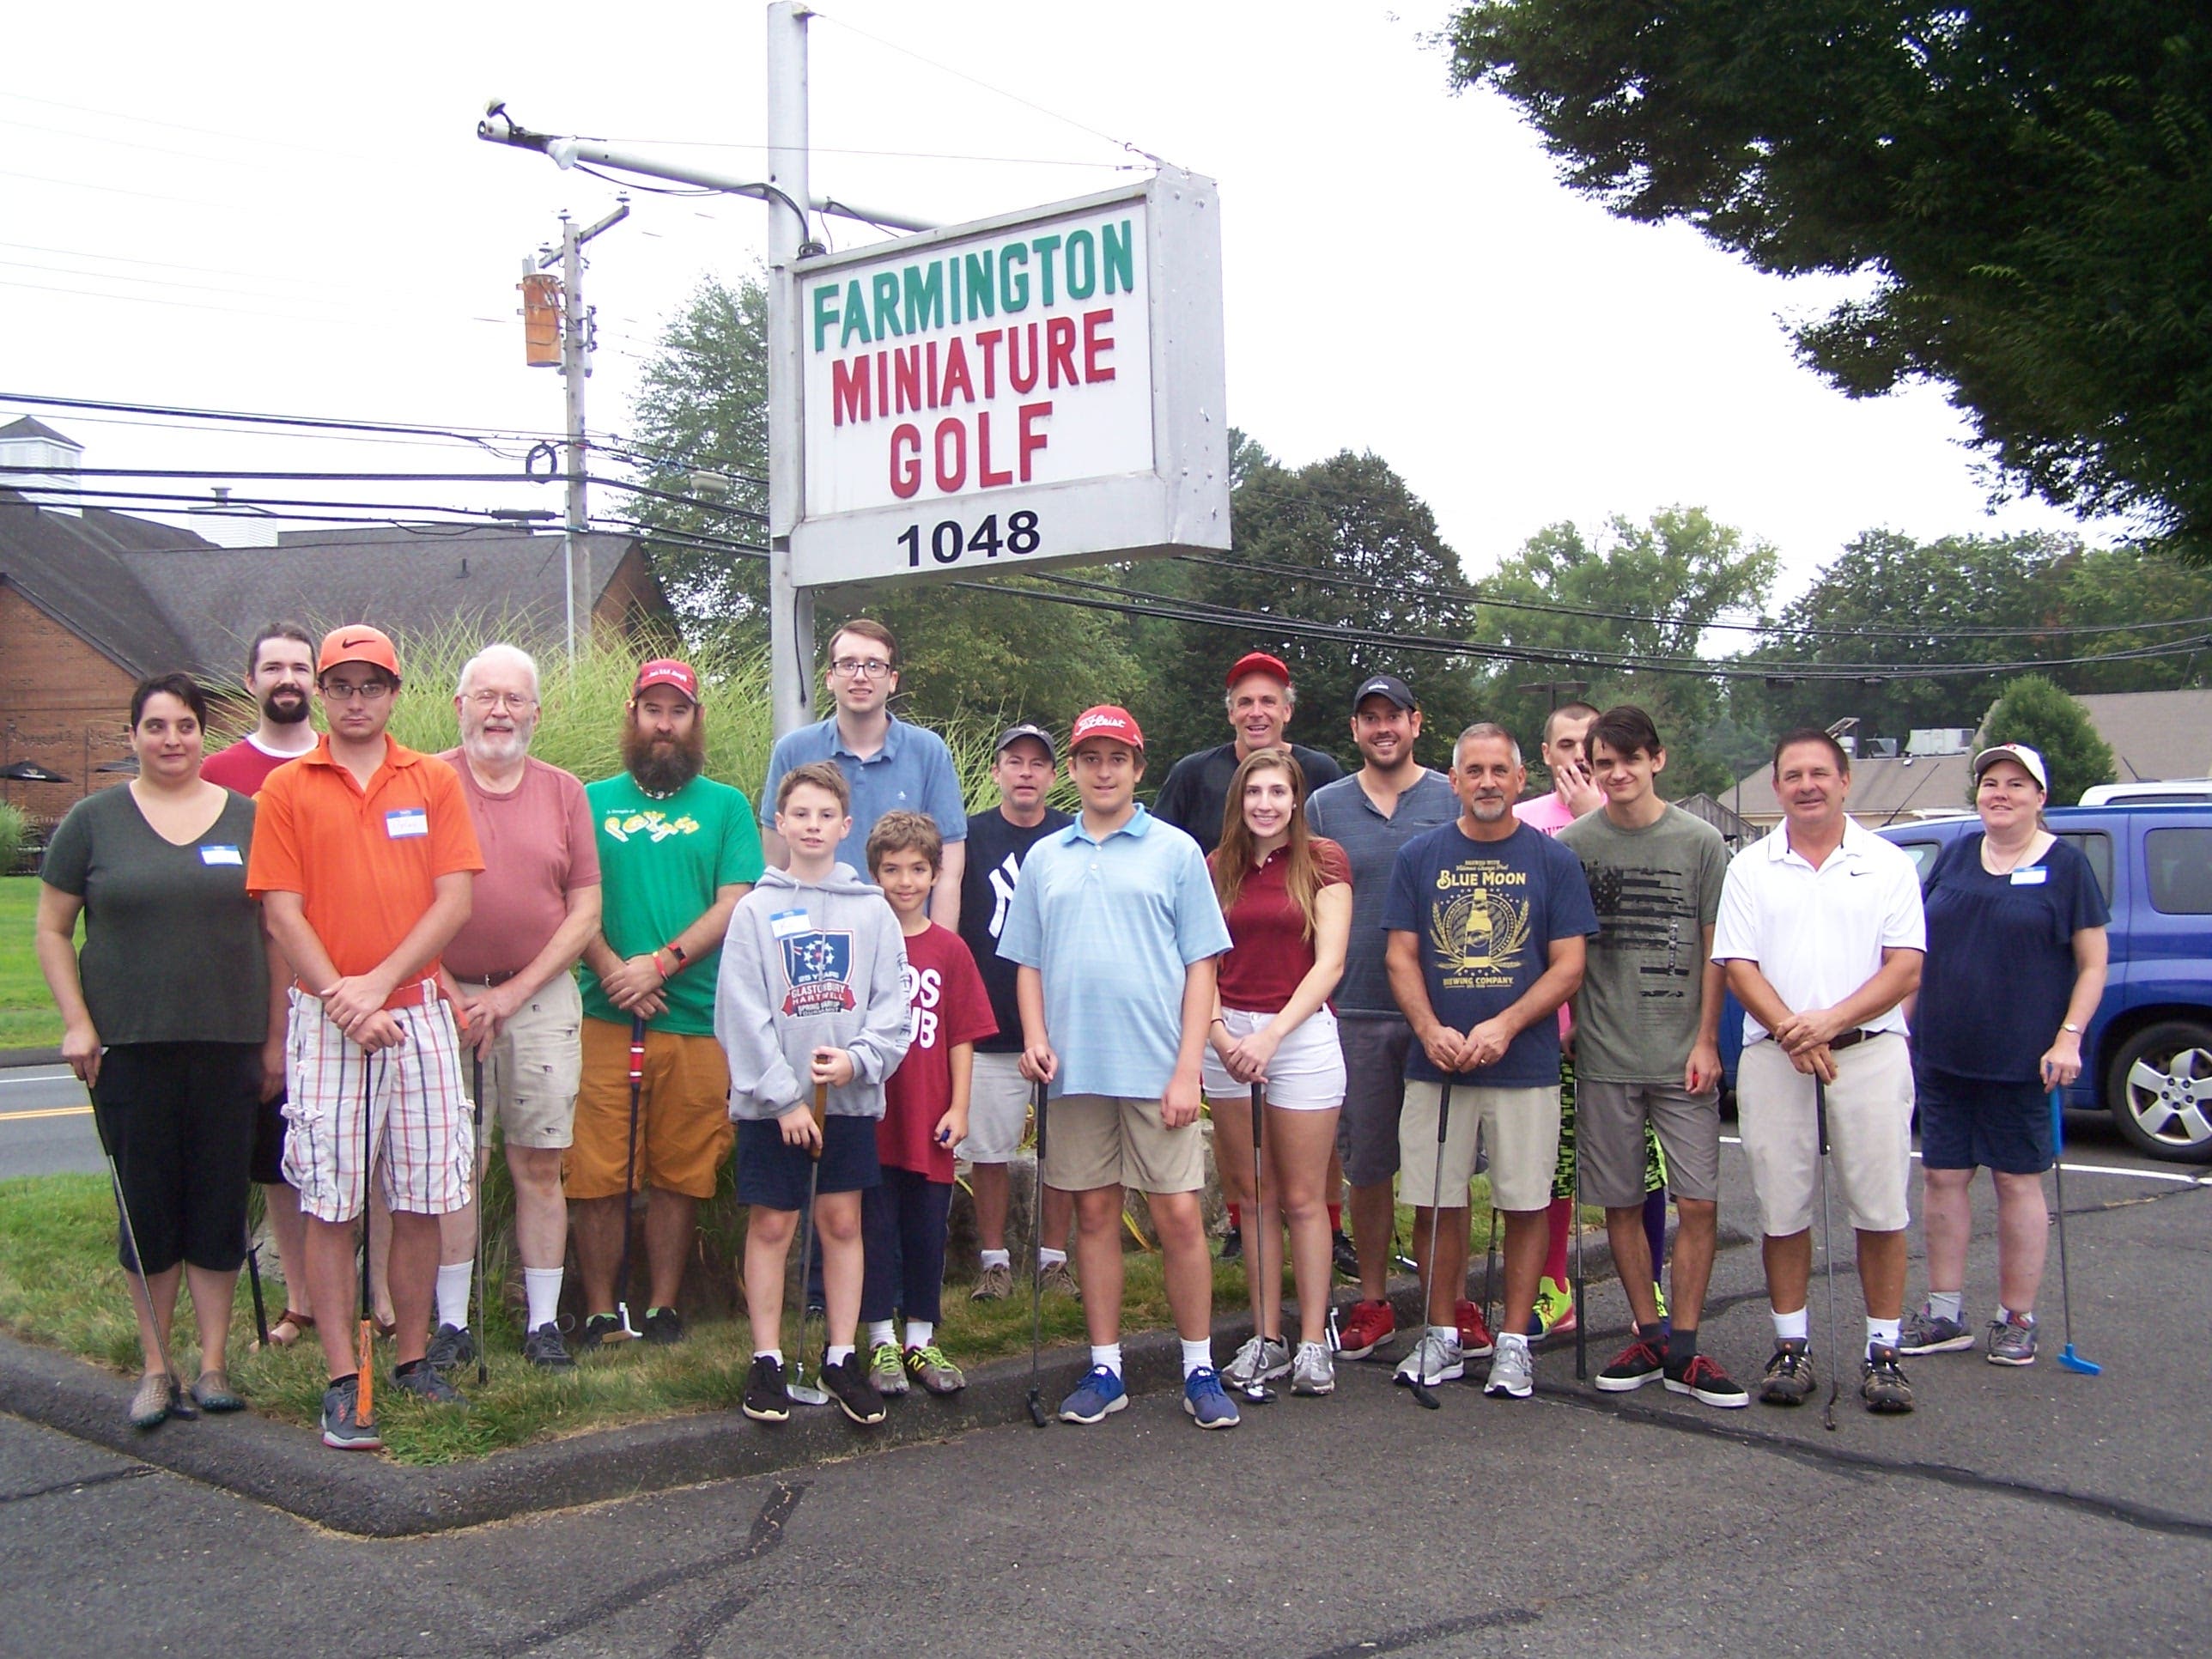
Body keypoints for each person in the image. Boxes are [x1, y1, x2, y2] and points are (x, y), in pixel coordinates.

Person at [248, 625, 484, 1449]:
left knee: (421, 1195)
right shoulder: (286, 787)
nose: (356, 700)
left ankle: (414, 1358)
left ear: (393, 692)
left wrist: (379, 986)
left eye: (370, 686)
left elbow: (452, 901)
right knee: (332, 1199)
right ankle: (343, 1376)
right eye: (340, 686)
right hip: (326, 1014)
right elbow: (282, 909)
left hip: (414, 1010)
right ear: (321, 692)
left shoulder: (431, 780)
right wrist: (344, 1001)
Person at [36, 674, 281, 1429]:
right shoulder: (92, 821)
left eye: (184, 726)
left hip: (229, 1044)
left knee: (215, 1204)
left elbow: (277, 937)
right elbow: (52, 930)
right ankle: (156, 1367)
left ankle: (212, 1364)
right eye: (156, 726)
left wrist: (274, 1041)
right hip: (129, 1047)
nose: (171, 740)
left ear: (202, 734)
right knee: (148, 1209)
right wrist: (78, 1023)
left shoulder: (249, 819)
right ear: (132, 735)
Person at [1000, 706, 1241, 1429]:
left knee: (1175, 1216)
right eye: (1090, 758)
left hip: (1155, 1066)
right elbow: (1029, 963)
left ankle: (1199, 1365)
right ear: (1072, 770)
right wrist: (1035, 1037)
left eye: (1117, 758)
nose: (1103, 771)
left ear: (1139, 768)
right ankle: (1107, 1368)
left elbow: (1203, 966)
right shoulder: (1047, 857)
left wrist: (1186, 1069)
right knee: (1095, 1215)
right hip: (1074, 1071)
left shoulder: (1173, 851)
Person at [1712, 728, 1926, 1414]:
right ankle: (1791, 1345)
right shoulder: (1749, 866)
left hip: (1868, 1052)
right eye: (1792, 775)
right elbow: (1737, 964)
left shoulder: (1888, 863)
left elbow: (1905, 966)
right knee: (1782, 1208)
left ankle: (1884, 1352)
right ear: (1776, 788)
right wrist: (1790, 1029)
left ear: (1845, 781)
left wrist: (1826, 1023)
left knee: (1880, 1208)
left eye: (1819, 773)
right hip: (1775, 1056)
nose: (1806, 785)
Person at [1384, 722, 1595, 1401]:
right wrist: (1429, 1027)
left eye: (1498, 771)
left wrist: (1505, 1025)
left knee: (1525, 1201)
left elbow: (1569, 966)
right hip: (1436, 1062)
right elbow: (1400, 955)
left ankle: (1512, 1343)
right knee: (1435, 1202)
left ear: (1518, 779)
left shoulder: (1552, 860)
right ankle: (1441, 1334)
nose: (1486, 783)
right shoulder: (1420, 857)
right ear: (1454, 782)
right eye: (1472, 771)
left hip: (1523, 1060)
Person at [1558, 706, 1747, 1407]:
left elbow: (1716, 950)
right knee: (1621, 1202)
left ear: (1657, 761)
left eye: (1629, 760)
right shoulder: (1575, 844)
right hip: (1606, 1053)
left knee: (1698, 1200)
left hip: (1682, 1056)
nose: (1617, 773)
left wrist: (1706, 1040)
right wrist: (1573, 1021)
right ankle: (1648, 1330)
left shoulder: (1700, 844)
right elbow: (1567, 947)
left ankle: (1689, 1346)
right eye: (1604, 762)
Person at [573, 659, 763, 1349]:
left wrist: (663, 962)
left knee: (681, 1169)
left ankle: (662, 1307)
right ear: (632, 716)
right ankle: (599, 1311)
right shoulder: (589, 801)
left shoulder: (726, 806)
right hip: (603, 1011)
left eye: (677, 711)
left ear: (695, 721)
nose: (664, 724)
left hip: (694, 1018)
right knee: (596, 1173)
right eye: (652, 709)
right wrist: (615, 970)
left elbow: (735, 900)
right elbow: (570, 900)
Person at [1901, 743, 2108, 1367]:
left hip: (2023, 1059)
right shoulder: (1960, 854)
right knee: (1942, 1177)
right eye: (1990, 782)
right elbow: (1919, 950)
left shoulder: (2067, 867)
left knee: (2017, 1181)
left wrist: (2069, 1035)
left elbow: (2093, 962)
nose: (2000, 793)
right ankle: (1944, 1313)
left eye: (2016, 784)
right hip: (1944, 1051)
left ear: (2040, 798)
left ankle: (2016, 1317)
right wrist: (1899, 1031)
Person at [718, 763, 911, 1426]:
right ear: (780, 821)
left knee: (842, 1223)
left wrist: (858, 1062)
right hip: (777, 1107)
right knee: (773, 1224)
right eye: (799, 814)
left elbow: (893, 1008)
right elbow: (740, 1013)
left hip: (847, 1103)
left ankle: (838, 1356)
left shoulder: (873, 913)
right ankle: (767, 1358)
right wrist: (785, 1098)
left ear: (845, 826)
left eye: (825, 816)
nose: (812, 826)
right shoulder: (754, 910)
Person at [426, 643, 602, 1371]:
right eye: (485, 696)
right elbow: (399, 900)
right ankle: (449, 1326)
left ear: (536, 711)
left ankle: (541, 1325)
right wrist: (444, 985)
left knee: (538, 1162)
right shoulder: (424, 783)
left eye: (515, 699)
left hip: (538, 997)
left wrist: (511, 993)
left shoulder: (565, 792)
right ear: (459, 705)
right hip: (439, 997)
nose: (500, 711)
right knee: (451, 1166)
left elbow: (585, 909)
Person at [1152, 649, 1346, 1265]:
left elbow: (1329, 940)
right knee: (1253, 1183)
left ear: (1288, 711)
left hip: (1301, 1008)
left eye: (1269, 701)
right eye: (1245, 701)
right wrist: (1210, 1027)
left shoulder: (1320, 774)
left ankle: (1330, 1238)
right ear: (1230, 710)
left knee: (1305, 1181)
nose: (1257, 711)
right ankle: (1247, 1243)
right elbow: (1166, 863)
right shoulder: (1193, 776)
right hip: (1227, 1006)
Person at [1306, 674, 1461, 1363]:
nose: (1382, 728)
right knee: (1368, 1169)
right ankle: (1372, 1301)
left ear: (1416, 722)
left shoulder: (1450, 797)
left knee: (1439, 1169)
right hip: (1354, 1010)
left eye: (1393, 715)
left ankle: (1444, 1309)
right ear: (1355, 729)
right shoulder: (1324, 805)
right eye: (1369, 717)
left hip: (1439, 1011)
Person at [1513, 698, 1668, 1340]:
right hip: (1540, 1027)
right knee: (1549, 1166)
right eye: (1566, 744)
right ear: (1545, 754)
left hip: (1616, 1029)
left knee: (1640, 1167)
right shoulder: (1521, 823)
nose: (1580, 757)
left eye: (1592, 745)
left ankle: (1651, 1285)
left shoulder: (1630, 816)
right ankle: (1553, 1286)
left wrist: (1590, 819)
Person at [1206, 750, 1352, 1398]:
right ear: (1239, 801)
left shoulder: (1325, 861)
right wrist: (1219, 1033)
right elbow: (1199, 962)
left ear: (1296, 800)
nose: (1265, 803)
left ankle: (1314, 1339)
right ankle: (1267, 1336)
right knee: (1254, 1198)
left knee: (1302, 1197)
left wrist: (1268, 1037)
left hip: (1297, 1035)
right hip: (1227, 1037)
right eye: (1253, 792)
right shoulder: (1216, 869)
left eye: (1277, 792)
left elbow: (1330, 964)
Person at [199, 620, 319, 1351]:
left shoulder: (344, 759)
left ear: (317, 681)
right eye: (272, 666)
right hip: (252, 988)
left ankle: (373, 1300)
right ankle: (301, 1302)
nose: (287, 679)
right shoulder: (218, 774)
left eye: (300, 668)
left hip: (341, 985)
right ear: (251, 681)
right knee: (278, 1156)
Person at [859, 811, 996, 1397]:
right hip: (872, 1111)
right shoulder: (864, 941)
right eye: (892, 870)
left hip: (929, 1113)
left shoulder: (949, 949)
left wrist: (960, 1106)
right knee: (874, 1227)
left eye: (918, 869)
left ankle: (920, 1334)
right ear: (874, 874)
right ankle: (878, 1338)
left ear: (936, 875)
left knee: (924, 1229)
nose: (905, 881)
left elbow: (962, 1033)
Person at [954, 724, 1079, 1302]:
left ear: (1054, 775)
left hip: (1064, 1023)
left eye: (1037, 763)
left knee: (1063, 1148)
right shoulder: (969, 836)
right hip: (988, 1020)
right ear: (998, 771)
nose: (1025, 772)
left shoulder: (1073, 837)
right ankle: (994, 1261)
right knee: (989, 1150)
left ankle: (1053, 1259)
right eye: (1014, 761)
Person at [759, 618, 967, 922]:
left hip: (900, 939)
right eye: (848, 664)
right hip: (813, 939)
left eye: (873, 665)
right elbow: (775, 865)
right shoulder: (792, 751)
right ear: (830, 677)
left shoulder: (929, 752)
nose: (860, 676)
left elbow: (948, 871)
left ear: (892, 679)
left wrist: (937, 953)